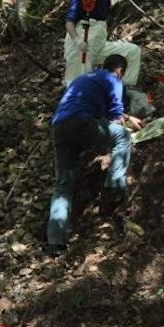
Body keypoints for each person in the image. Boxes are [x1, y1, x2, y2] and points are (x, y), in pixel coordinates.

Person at [47, 54, 145, 256]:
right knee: (123, 139)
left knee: (63, 184)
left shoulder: (86, 78)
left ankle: (56, 242)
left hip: (59, 127)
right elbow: (115, 118)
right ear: (120, 70)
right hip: (82, 123)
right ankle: (115, 186)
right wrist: (125, 126)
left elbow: (99, 110)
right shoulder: (114, 80)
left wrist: (128, 117)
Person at [64, 0, 142, 87]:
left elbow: (107, 3)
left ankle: (122, 87)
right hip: (81, 49)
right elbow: (69, 22)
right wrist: (77, 40)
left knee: (132, 51)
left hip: (98, 45)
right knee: (79, 84)